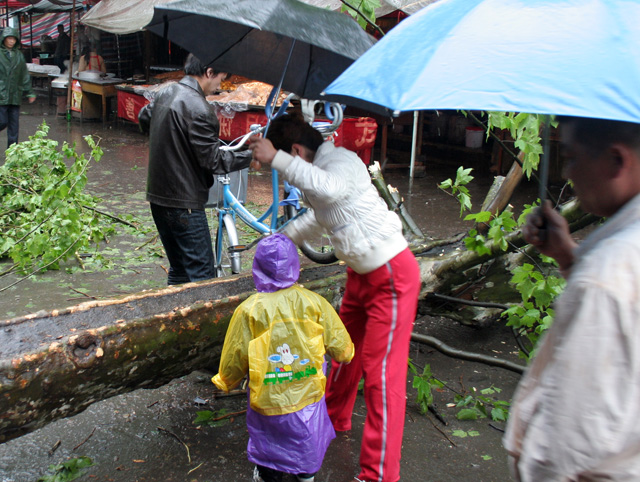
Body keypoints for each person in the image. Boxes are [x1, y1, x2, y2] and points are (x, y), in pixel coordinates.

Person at [249, 113, 421, 482]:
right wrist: (281, 239)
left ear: (296, 150)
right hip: (360, 272)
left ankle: (379, 474)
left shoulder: (339, 161)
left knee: (381, 377)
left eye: (288, 158)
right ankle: (331, 419)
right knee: (341, 351)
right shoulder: (323, 168)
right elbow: (320, 214)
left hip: (391, 274)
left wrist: (274, 158)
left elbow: (327, 190)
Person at [504, 116, 640, 481]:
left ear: (616, 161)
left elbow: (567, 443)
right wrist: (567, 256)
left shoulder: (604, 278)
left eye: (573, 157)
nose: (567, 173)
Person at [212, 233, 355, 482]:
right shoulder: (314, 303)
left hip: (268, 391)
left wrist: (226, 380)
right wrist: (346, 354)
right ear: (295, 266)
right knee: (307, 433)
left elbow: (236, 352)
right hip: (307, 388)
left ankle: (269, 473)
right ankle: (306, 474)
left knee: (269, 436)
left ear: (257, 268)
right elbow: (341, 345)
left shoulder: (249, 310)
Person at [138, 54, 252, 285]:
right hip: (184, 204)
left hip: (158, 199)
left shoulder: (166, 92)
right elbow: (214, 162)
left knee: (179, 270)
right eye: (220, 77)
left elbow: (144, 117)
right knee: (202, 277)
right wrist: (252, 155)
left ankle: (173, 317)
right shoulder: (200, 108)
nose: (220, 85)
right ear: (209, 72)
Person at [0, 27, 36, 149]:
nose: (11, 41)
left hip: (15, 94)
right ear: (3, 39)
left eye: (14, 39)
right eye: (9, 38)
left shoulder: (19, 56)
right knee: (2, 121)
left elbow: (24, 75)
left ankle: (12, 151)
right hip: (1, 94)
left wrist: (29, 92)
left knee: (14, 126)